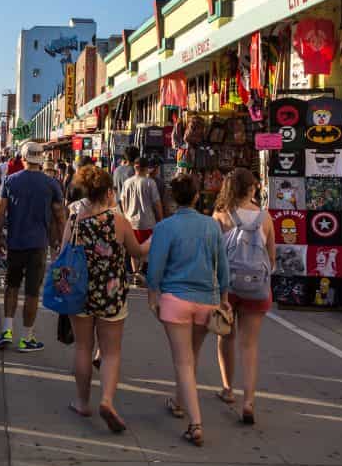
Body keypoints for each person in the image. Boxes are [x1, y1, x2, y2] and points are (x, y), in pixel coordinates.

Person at [64, 165, 150, 433]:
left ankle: (81, 402)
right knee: (111, 352)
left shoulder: (75, 221)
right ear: (108, 191)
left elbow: (62, 253)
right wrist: (152, 241)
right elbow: (136, 251)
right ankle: (107, 400)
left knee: (82, 348)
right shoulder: (119, 221)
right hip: (111, 292)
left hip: (80, 292)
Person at [147, 172, 230, 447]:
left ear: (173, 198)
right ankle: (180, 402)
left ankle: (195, 423)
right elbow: (223, 266)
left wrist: (152, 293)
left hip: (175, 299)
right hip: (207, 299)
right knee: (191, 356)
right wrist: (224, 296)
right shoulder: (211, 226)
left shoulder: (165, 227)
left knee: (183, 361)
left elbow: (156, 266)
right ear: (197, 196)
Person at [212, 168, 274, 426]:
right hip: (257, 289)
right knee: (249, 345)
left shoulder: (220, 215)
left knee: (225, 335)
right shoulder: (265, 217)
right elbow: (272, 257)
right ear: (253, 188)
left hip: (228, 287)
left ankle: (228, 389)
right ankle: (248, 401)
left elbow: (213, 255)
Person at [0, 141, 66, 352]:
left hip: (15, 243)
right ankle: (27, 337)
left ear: (23, 158)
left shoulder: (10, 181)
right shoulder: (51, 183)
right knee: (33, 292)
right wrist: (60, 242)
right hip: (38, 245)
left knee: (11, 287)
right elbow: (60, 216)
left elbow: (0, 212)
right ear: (41, 159)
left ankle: (7, 331)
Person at [119, 157, 165, 281]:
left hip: (130, 222)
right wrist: (161, 219)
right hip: (147, 222)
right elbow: (157, 203)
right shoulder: (150, 183)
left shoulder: (127, 182)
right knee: (147, 250)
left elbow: (122, 202)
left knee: (133, 250)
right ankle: (142, 272)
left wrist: (125, 214)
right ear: (146, 168)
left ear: (135, 167)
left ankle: (135, 273)